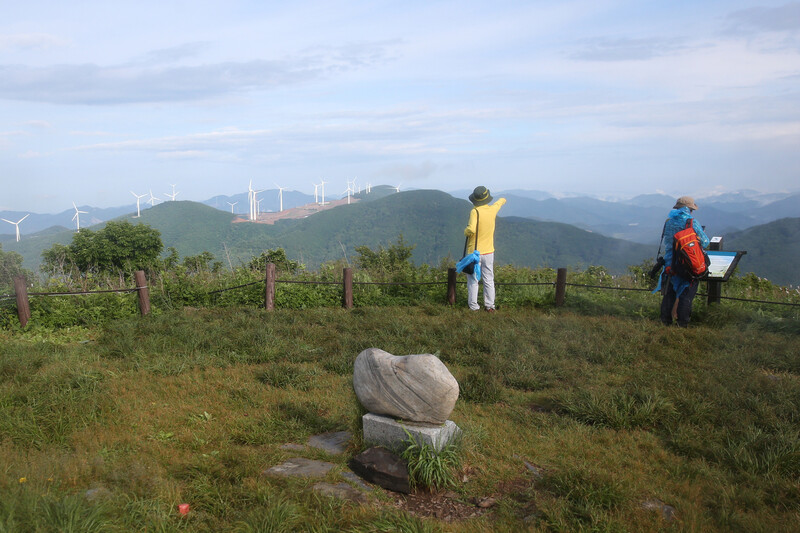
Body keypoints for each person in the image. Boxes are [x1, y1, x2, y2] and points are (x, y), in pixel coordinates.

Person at [656, 196, 709, 327]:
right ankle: (682, 324)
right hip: (687, 264)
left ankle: (665, 323)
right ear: (690, 209)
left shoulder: (668, 222)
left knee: (670, 293)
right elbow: (705, 242)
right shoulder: (691, 222)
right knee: (686, 294)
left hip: (670, 263)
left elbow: (667, 241)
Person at [464, 186, 506, 311]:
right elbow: (500, 202)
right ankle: (490, 306)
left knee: (473, 279)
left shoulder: (475, 211)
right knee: (489, 279)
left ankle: (474, 307)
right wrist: (503, 199)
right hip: (489, 251)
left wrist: (466, 231)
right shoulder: (492, 210)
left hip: (474, 252)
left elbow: (471, 229)